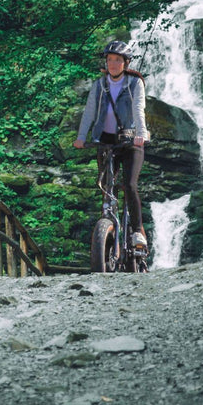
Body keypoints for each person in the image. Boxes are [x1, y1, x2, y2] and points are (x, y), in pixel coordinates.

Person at [73, 40, 149, 250]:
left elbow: (138, 109)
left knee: (130, 185)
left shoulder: (134, 83)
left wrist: (141, 134)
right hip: (105, 141)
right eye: (109, 60)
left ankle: (136, 231)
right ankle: (108, 230)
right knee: (107, 188)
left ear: (125, 63)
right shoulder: (99, 84)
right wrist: (81, 137)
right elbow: (89, 112)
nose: (113, 64)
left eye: (117, 60)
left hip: (130, 140)